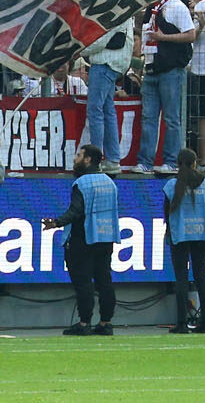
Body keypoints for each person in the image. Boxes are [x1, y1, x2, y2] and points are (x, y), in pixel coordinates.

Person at [42, 144, 119, 336]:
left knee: (83, 282)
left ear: (87, 160)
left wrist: (57, 222)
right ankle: (105, 322)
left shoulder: (81, 183)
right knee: (105, 281)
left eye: (79, 155)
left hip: (83, 238)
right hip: (106, 235)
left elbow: (76, 211)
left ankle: (84, 323)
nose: (75, 159)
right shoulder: (110, 183)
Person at [135, 0, 197, 176]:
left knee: (171, 118)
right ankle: (145, 161)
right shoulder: (151, 9)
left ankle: (171, 161)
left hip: (171, 69)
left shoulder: (177, 7)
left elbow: (190, 34)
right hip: (152, 67)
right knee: (149, 117)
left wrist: (164, 37)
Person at [164, 149, 205, 334]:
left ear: (178, 164)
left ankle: (181, 323)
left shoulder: (172, 185)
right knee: (201, 277)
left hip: (180, 235)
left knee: (181, 279)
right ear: (195, 163)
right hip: (202, 235)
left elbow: (166, 212)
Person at [80, 20, 133, 174]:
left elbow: (102, 38)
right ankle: (113, 159)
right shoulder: (127, 12)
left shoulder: (116, 12)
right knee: (108, 111)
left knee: (95, 111)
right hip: (114, 64)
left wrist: (82, 50)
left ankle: (95, 160)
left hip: (105, 63)